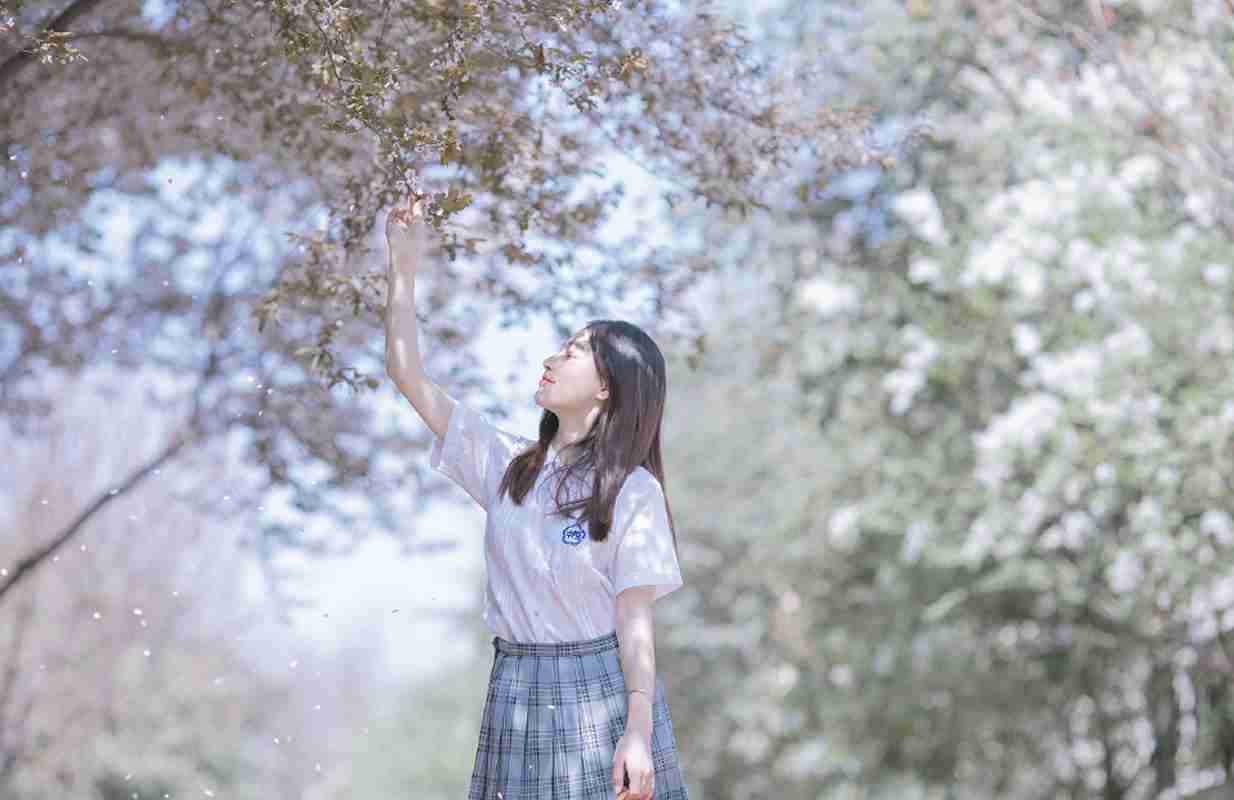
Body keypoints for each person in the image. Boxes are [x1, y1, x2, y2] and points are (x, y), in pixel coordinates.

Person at [383, 193, 689, 800]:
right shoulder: (506, 462)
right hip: (515, 690)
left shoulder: (632, 491)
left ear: (606, 385)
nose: (551, 358)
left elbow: (635, 624)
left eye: (572, 352)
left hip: (600, 699)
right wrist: (402, 263)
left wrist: (637, 729)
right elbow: (406, 375)